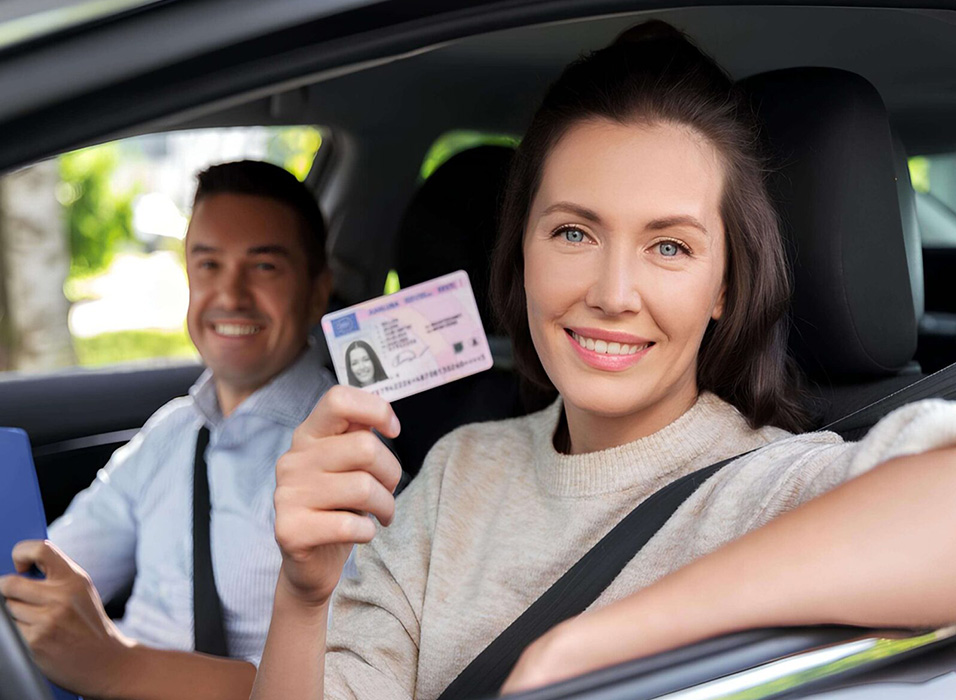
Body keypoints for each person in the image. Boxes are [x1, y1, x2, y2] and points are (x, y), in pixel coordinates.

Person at [251, 22, 956, 700]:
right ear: (521, 252)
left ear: (726, 287)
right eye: (573, 232)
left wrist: (590, 649)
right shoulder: (454, 475)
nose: (613, 295)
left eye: (670, 246)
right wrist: (304, 596)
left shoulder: (775, 488)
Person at [0, 160, 335, 700]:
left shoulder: (343, 451)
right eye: (208, 265)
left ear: (319, 291)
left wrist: (112, 664)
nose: (230, 295)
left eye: (264, 267)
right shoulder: (170, 432)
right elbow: (46, 565)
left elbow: (340, 681)